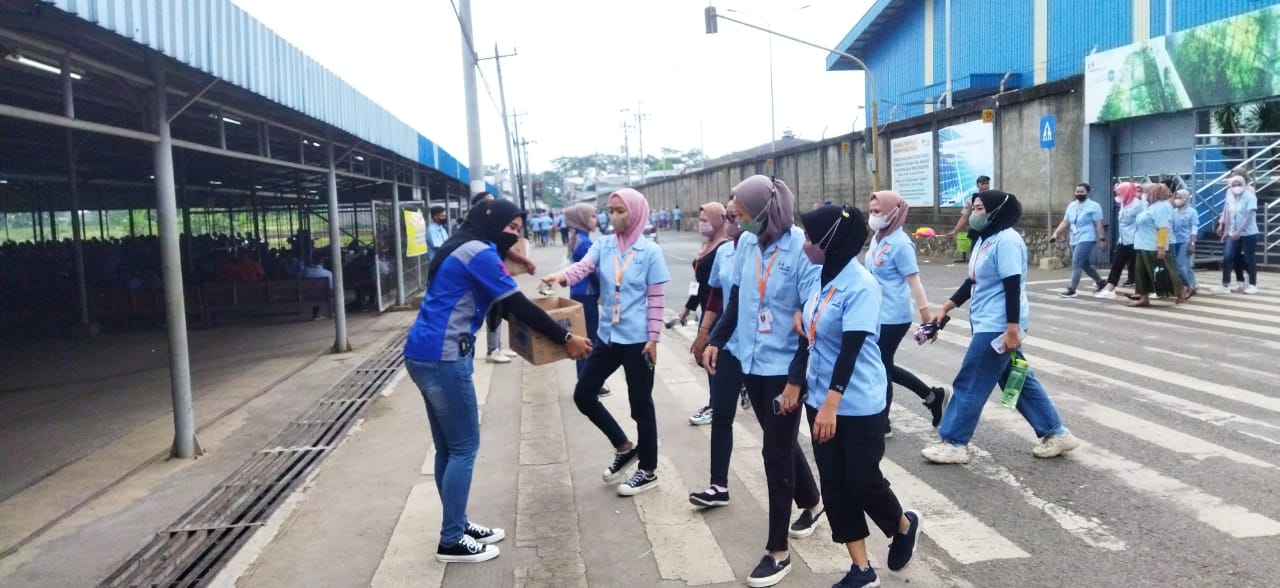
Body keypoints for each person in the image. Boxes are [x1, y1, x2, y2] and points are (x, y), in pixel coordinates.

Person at [403, 199, 592, 563]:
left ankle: (456, 522)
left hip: (423, 353)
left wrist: (515, 257)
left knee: (448, 447)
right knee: (463, 448)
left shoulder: (462, 243)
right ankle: (451, 540)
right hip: (444, 358)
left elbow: (500, 301)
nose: (515, 235)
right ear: (493, 223)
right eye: (511, 228)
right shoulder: (479, 254)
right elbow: (517, 305)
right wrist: (566, 339)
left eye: (519, 229)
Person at [786, 204, 921, 588]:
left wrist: (832, 403)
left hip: (858, 400)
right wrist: (799, 383)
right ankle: (861, 569)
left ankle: (902, 524)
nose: (806, 243)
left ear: (832, 240)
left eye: (812, 237)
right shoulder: (817, 277)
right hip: (819, 399)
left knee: (862, 477)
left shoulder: (861, 285)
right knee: (834, 482)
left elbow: (851, 348)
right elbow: (811, 338)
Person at [704, 175, 822, 588]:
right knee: (781, 440)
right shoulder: (745, 245)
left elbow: (812, 321)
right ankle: (811, 501)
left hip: (786, 368)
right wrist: (715, 340)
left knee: (774, 453)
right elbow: (736, 300)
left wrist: (795, 381)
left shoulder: (803, 250)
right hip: (753, 362)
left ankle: (778, 551)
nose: (732, 209)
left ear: (765, 208)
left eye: (739, 204)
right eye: (732, 203)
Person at [922, 190, 1081, 465]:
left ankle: (955, 442)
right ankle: (1056, 432)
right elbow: (973, 281)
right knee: (1016, 380)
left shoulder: (1006, 240)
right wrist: (946, 308)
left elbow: (1011, 287)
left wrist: (1011, 330)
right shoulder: (986, 239)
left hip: (998, 325)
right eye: (974, 207)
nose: (974, 213)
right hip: (989, 321)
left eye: (980, 208)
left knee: (970, 380)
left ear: (996, 211)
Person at [541, 188, 670, 497]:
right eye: (610, 210)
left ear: (636, 213)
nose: (613, 216)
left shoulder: (650, 252)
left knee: (641, 405)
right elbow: (582, 268)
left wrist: (654, 339)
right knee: (584, 394)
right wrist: (559, 277)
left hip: (638, 340)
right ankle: (624, 446)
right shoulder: (604, 245)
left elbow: (655, 300)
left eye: (620, 211)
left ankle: (648, 469)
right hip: (608, 336)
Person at [864, 191, 946, 435]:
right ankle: (932, 396)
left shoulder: (901, 244)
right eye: (871, 211)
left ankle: (883, 423)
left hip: (894, 315)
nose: (873, 216)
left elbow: (914, 282)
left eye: (878, 211)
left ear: (893, 212)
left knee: (881, 366)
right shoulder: (878, 237)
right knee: (883, 365)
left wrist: (926, 317)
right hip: (877, 313)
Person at [689, 195, 748, 509]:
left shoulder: (765, 250)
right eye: (728, 216)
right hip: (728, 344)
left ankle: (809, 498)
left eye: (737, 216)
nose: (731, 222)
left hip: (761, 349)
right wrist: (704, 334)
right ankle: (718, 486)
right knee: (722, 415)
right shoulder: (726, 251)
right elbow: (716, 296)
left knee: (775, 430)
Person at [683, 202, 731, 426]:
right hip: (706, 309)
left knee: (713, 358)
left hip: (719, 310)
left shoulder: (726, 246)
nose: (702, 224)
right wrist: (688, 308)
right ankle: (716, 401)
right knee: (707, 357)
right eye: (700, 220)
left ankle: (717, 405)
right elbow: (699, 283)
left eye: (706, 220)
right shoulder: (708, 244)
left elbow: (718, 289)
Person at [562, 203, 610, 398]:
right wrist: (605, 290)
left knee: (583, 337)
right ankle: (589, 383)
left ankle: (585, 380)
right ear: (582, 219)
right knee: (588, 339)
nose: (595, 219)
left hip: (579, 293)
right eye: (591, 216)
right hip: (587, 295)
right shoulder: (584, 243)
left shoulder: (578, 239)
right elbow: (593, 272)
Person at [1129, 183, 1187, 307]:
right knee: (1141, 273)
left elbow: (1162, 228)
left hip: (1152, 246)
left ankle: (1180, 290)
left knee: (1164, 271)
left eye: (1147, 192)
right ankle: (1143, 297)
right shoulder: (1150, 207)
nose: (1145, 194)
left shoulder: (1161, 207)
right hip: (1142, 245)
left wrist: (1161, 247)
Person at [1050, 183, 1106, 298]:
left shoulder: (1094, 206)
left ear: (1087, 193)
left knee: (1076, 263)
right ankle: (1100, 282)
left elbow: (1098, 224)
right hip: (1075, 238)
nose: (1079, 194)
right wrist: (1056, 233)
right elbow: (1065, 222)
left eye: (1082, 192)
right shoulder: (1072, 206)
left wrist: (1102, 239)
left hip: (1087, 238)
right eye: (1077, 192)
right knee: (1085, 265)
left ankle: (1072, 288)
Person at [1095, 182, 1144, 299]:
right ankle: (1110, 288)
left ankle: (1142, 291)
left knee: (1137, 267)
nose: (1118, 195)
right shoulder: (1124, 203)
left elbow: (1141, 223)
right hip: (1124, 239)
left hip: (1135, 240)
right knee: (1117, 263)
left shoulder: (1137, 205)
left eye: (1120, 193)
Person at [1216, 174, 1259, 294]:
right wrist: (1226, 232)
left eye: (1239, 184)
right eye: (1233, 184)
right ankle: (1226, 284)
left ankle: (1253, 284)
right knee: (1228, 256)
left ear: (1244, 184)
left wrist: (1240, 231)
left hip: (1249, 233)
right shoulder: (1230, 197)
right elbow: (1229, 215)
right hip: (1232, 233)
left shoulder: (1250, 197)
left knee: (1249, 258)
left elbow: (1250, 216)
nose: (1236, 186)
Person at [944, 175, 991, 240]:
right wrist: (954, 232)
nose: (986, 186)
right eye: (983, 184)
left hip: (991, 233)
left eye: (987, 183)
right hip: (976, 234)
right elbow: (964, 218)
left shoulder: (995, 199)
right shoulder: (971, 201)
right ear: (977, 185)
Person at [1170, 189, 1199, 297]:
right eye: (1176, 197)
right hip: (1174, 240)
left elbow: (1194, 228)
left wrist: (1192, 243)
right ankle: (1193, 284)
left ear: (1186, 198)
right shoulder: (1174, 211)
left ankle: (1187, 287)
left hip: (1186, 241)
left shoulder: (1192, 212)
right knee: (1184, 265)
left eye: (1180, 197)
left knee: (1181, 264)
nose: (1177, 200)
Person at [301, 252, 334, 320]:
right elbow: (330, 288)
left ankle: (316, 314)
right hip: (323, 295)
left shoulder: (306, 271)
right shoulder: (328, 273)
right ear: (322, 262)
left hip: (305, 294)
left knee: (314, 292)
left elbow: (298, 278)